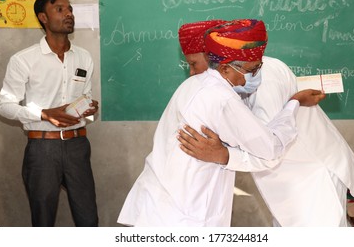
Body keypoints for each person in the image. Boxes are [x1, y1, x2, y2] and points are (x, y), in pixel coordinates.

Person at [117, 19, 325, 227]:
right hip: (186, 216)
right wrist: (294, 103)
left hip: (159, 205)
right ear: (226, 69)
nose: (256, 75)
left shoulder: (193, 85)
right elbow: (270, 148)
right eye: (252, 69)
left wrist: (224, 155)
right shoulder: (222, 99)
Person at [177, 19, 354, 226]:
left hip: (313, 178)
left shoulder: (260, 76)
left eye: (193, 64)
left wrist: (223, 155)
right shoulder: (228, 82)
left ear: (214, 59)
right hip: (291, 183)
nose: (192, 72)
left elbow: (269, 146)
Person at [0, 0, 99, 227]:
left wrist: (90, 107)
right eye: (60, 9)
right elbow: (4, 106)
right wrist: (44, 113)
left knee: (89, 220)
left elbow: (88, 99)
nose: (69, 14)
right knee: (43, 223)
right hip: (42, 149)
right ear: (43, 17)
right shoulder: (24, 59)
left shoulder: (84, 57)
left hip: (78, 146)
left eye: (70, 9)